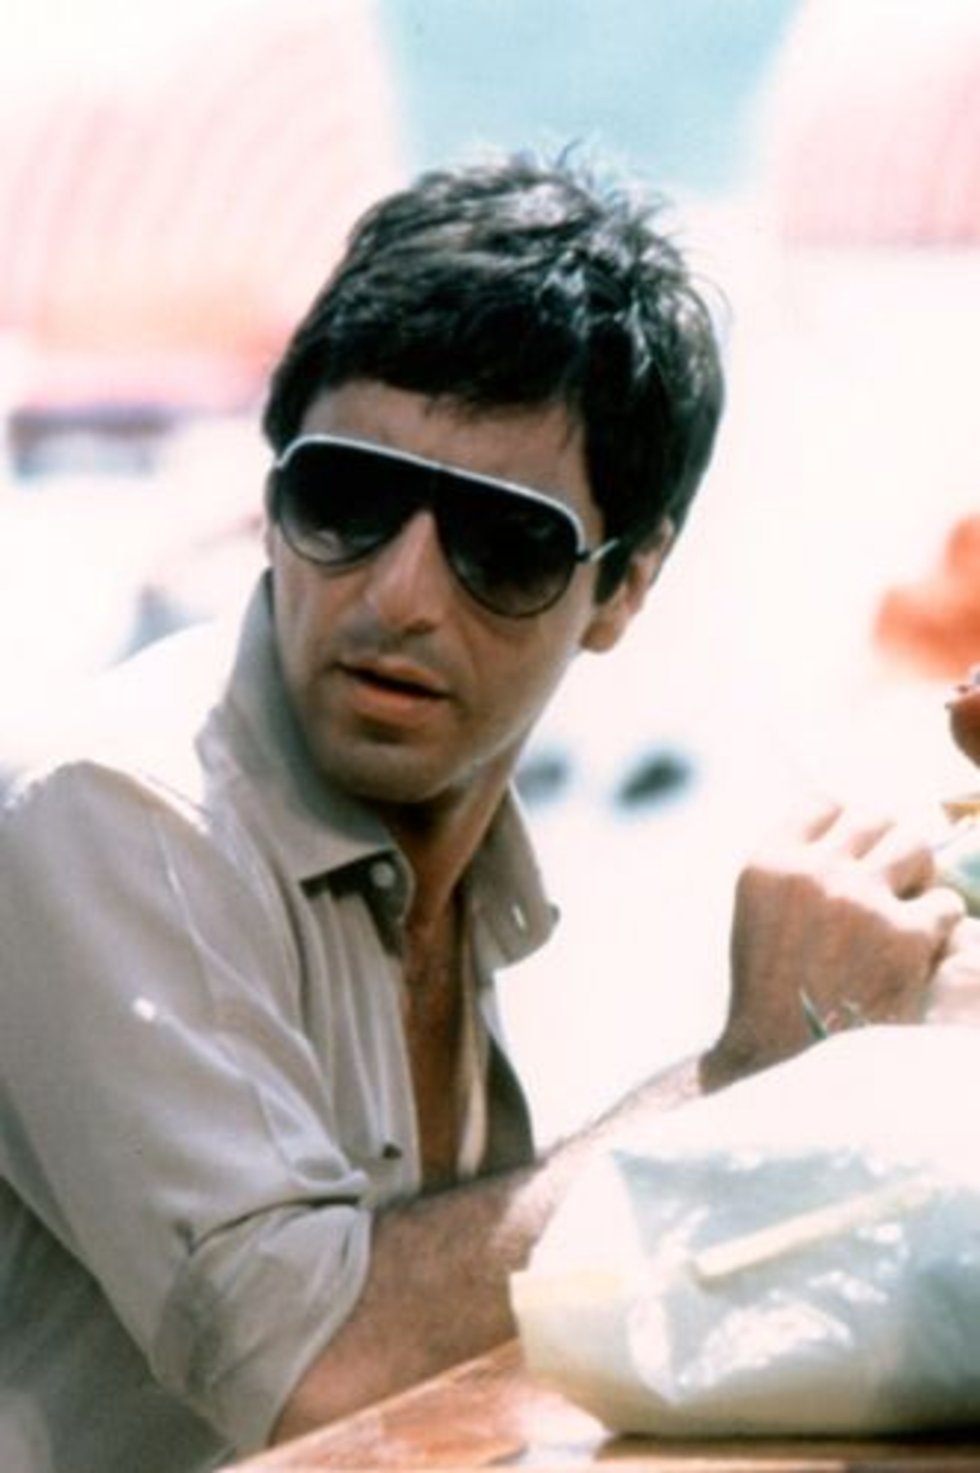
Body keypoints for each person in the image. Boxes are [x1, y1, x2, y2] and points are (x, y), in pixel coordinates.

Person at [0, 150, 974, 1473]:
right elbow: (312, 1368)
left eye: (500, 544)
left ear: (624, 587)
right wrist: (743, 1068)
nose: (400, 595)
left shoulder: (451, 856)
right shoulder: (116, 809)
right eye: (346, 501)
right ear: (270, 502)